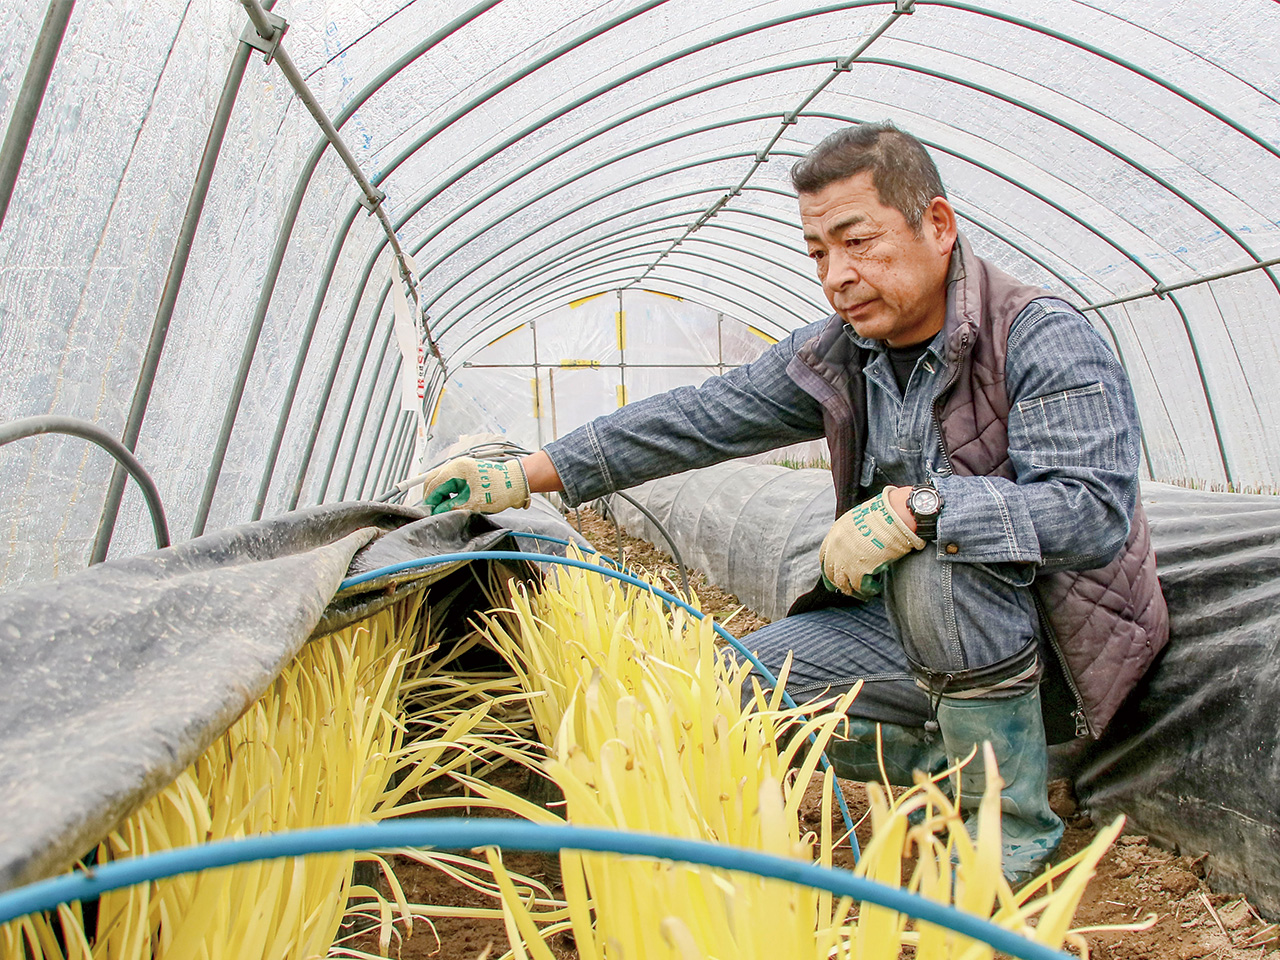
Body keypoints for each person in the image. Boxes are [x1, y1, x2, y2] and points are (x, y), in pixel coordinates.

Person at [420, 123, 1168, 885]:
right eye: (818, 253)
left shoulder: (1040, 337)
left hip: (1049, 656)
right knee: (723, 688)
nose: (837, 274)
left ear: (937, 226)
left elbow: (1089, 511)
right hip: (904, 630)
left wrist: (921, 509)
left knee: (941, 562)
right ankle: (954, 770)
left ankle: (1005, 830)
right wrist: (528, 472)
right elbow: (699, 416)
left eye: (858, 241)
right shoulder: (844, 351)